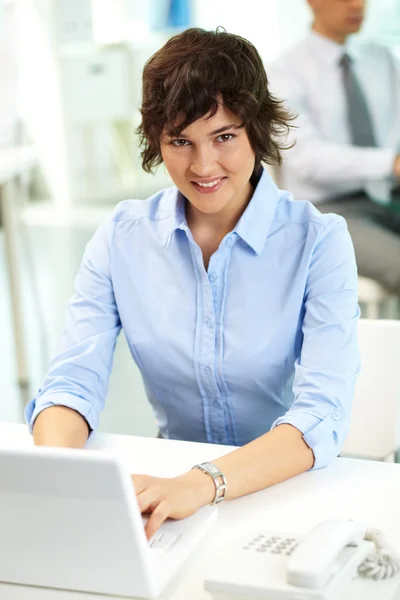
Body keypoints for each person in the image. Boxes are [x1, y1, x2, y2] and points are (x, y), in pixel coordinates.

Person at [26, 27, 360, 540]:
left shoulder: (319, 241)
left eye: (224, 136)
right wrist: (59, 484)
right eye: (180, 141)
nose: (203, 166)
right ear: (158, 141)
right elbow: (71, 386)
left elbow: (320, 418)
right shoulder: (122, 237)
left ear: (256, 128)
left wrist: (200, 483)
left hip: (283, 488)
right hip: (170, 495)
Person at [267, 0, 400, 295]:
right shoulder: (284, 73)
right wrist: (389, 164)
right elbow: (304, 158)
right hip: (326, 212)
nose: (357, 5)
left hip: (387, 198)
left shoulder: (383, 60)